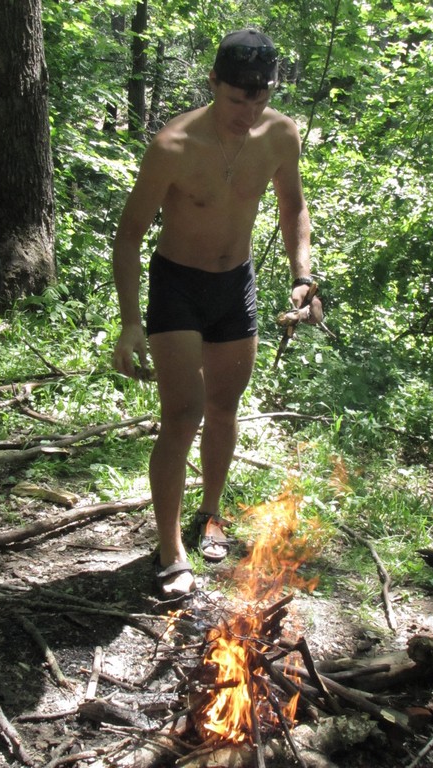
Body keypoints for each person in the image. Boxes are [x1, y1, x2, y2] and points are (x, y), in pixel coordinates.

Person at [112, 28, 321, 599]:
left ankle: (209, 514)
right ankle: (169, 548)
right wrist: (130, 322)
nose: (248, 112)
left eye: (260, 98)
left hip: (235, 284)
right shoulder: (174, 144)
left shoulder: (280, 134)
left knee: (224, 408)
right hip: (178, 284)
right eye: (236, 99)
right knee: (182, 413)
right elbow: (129, 235)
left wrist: (303, 275)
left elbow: (293, 206)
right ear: (213, 83)